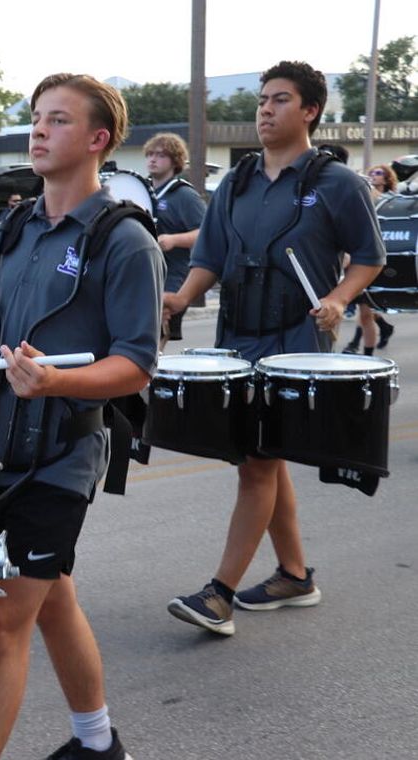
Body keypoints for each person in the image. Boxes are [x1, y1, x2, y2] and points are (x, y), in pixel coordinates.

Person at [0, 72, 161, 760]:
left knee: (3, 624)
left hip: (62, 457)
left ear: (98, 140)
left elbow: (137, 362)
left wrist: (55, 381)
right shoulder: (12, 228)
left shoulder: (124, 241)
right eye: (36, 119)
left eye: (58, 120)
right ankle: (98, 743)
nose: (39, 131)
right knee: (55, 598)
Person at [163, 61, 385, 636]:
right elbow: (209, 258)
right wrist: (178, 299)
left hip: (297, 340)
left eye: (279, 100)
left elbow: (369, 257)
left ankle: (219, 594)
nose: (265, 109)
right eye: (262, 99)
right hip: (236, 337)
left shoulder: (338, 184)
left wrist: (338, 299)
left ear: (309, 110)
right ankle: (293, 574)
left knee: (257, 462)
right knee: (266, 455)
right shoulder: (234, 182)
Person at [144, 132, 207, 346]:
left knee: (157, 335)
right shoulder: (143, 191)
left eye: (160, 155)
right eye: (150, 154)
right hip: (146, 273)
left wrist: (173, 240)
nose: (152, 159)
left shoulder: (184, 195)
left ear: (175, 161)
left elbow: (206, 233)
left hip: (173, 275)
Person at [343, 163, 397, 354]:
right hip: (360, 256)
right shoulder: (365, 194)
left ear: (387, 178)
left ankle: (363, 351)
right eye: (372, 173)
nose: (374, 175)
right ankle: (377, 333)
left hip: (376, 259)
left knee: (366, 312)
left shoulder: (389, 200)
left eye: (379, 173)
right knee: (365, 311)